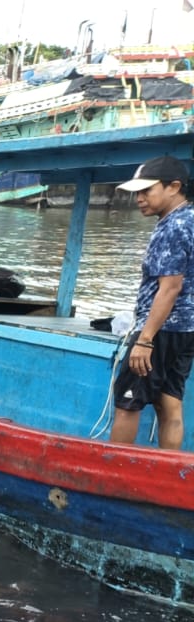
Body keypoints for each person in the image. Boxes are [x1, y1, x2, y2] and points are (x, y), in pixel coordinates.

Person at [113, 155, 194, 450]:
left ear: (173, 187)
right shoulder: (191, 220)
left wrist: (145, 339)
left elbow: (170, 287)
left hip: (161, 328)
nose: (139, 198)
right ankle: (169, 475)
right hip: (187, 329)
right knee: (169, 404)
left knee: (128, 402)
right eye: (137, 192)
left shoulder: (173, 227)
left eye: (147, 190)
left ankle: (115, 476)